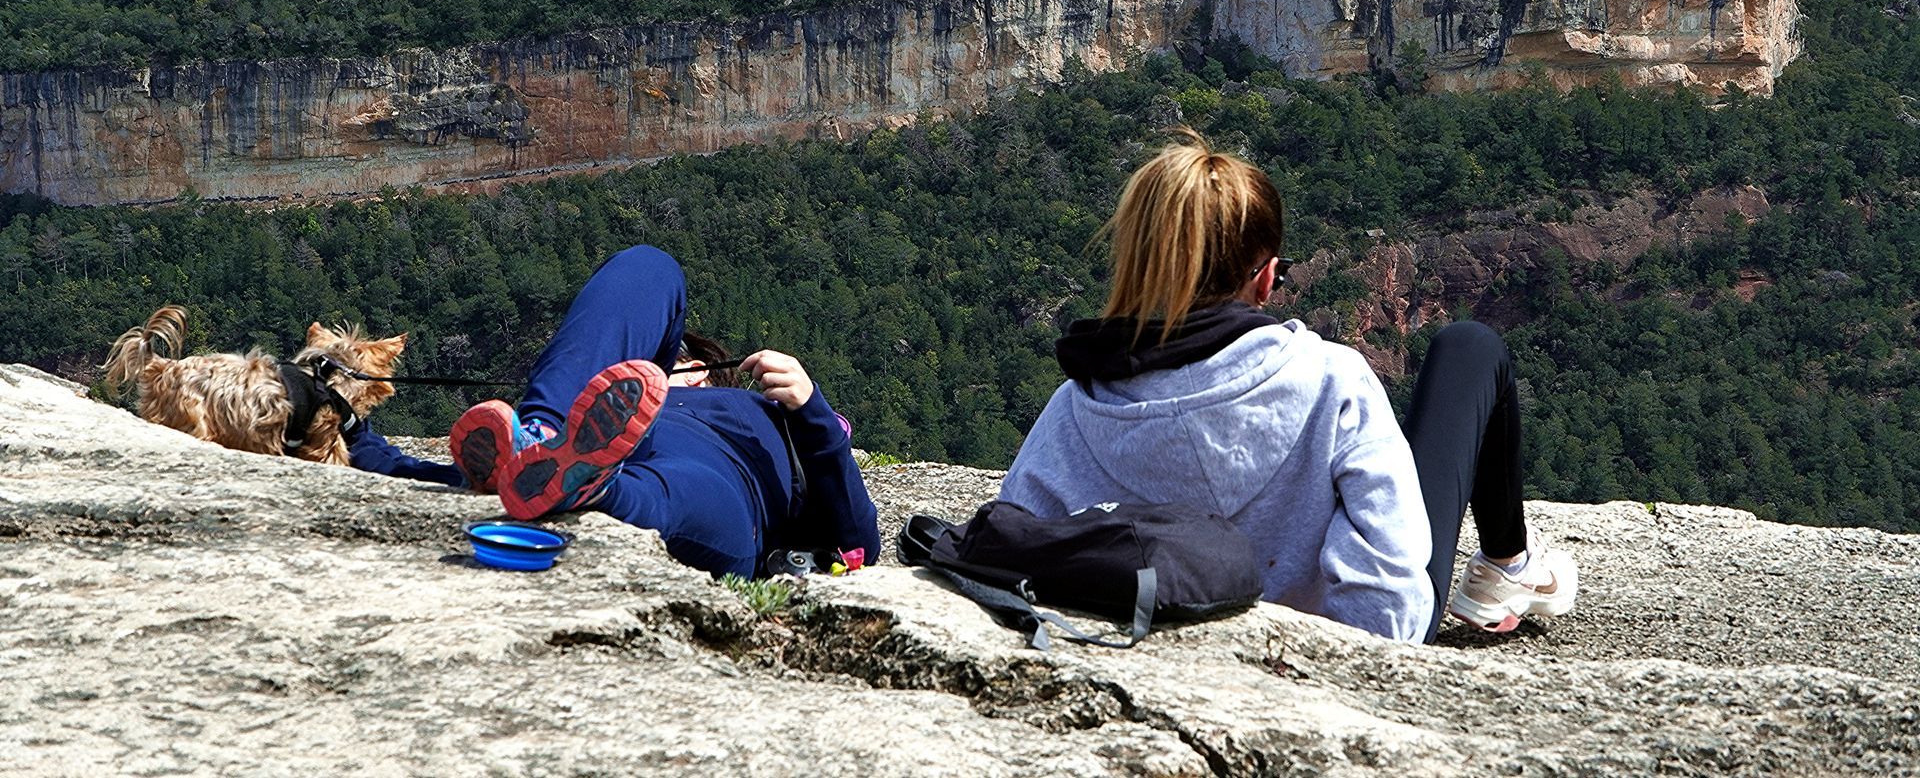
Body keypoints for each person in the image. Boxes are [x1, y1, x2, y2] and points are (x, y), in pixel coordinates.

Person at [997, 131, 1577, 643]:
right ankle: (1507, 567)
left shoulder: (1075, 407)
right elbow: (1390, 608)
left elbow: (1010, 551)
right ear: (1268, 278)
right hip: (1341, 647)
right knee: (1470, 347)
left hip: (1150, 624)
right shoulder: (1332, 380)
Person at [347, 245, 880, 579]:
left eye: (685, 363)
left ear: (705, 373)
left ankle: (592, 487)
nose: (677, 369)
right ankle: (542, 436)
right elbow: (438, 480)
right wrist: (353, 432)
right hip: (596, 443)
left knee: (673, 491)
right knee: (651, 266)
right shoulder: (612, 408)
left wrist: (811, 409)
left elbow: (859, 544)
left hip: (730, 487)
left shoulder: (766, 415)